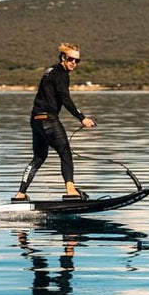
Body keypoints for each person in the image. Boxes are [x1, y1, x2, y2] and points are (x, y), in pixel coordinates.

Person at [12, 42, 96, 201]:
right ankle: (71, 192)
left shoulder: (49, 71)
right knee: (65, 153)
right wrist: (82, 118)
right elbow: (65, 99)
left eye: (77, 61)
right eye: (71, 59)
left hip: (36, 120)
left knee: (39, 157)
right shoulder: (62, 75)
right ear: (63, 57)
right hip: (49, 120)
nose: (74, 63)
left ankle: (20, 194)